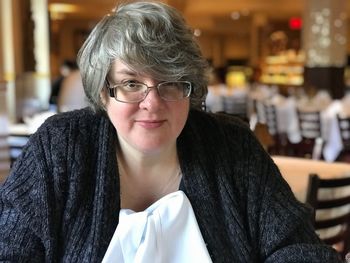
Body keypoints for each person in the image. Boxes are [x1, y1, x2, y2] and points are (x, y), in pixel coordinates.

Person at [0, 1, 343, 262]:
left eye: (171, 83)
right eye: (131, 83)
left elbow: (296, 246)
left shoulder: (232, 146)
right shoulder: (59, 147)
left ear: (190, 87)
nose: (152, 102)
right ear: (104, 93)